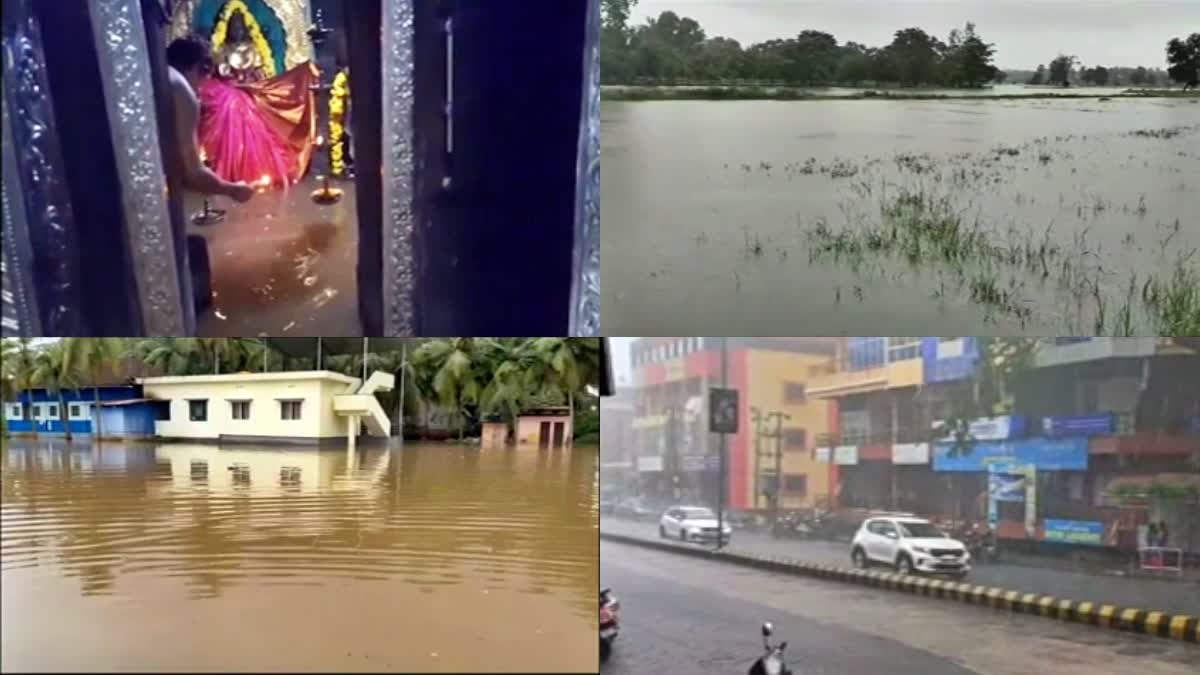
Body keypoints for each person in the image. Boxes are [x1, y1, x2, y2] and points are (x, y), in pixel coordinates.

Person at [165, 36, 256, 205]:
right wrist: (234, 189)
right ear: (199, 67)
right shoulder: (181, 89)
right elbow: (192, 173)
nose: (201, 87)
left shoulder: (163, 73)